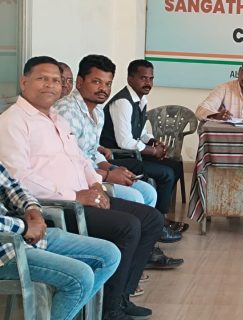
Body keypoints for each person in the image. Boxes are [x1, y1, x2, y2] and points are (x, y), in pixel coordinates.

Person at [0, 56, 163, 320]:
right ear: (24, 82)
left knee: (151, 219)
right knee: (128, 227)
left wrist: (96, 185)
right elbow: (18, 180)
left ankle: (121, 297)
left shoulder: (56, 118)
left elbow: (80, 159)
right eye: (42, 79)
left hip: (84, 196)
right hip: (57, 207)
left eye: (55, 80)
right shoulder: (13, 122)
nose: (50, 85)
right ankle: (109, 310)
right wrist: (75, 195)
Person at [54, 55, 183, 271]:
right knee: (137, 195)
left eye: (107, 84)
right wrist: (107, 174)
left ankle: (145, 251)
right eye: (96, 82)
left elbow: (91, 152)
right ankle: (135, 254)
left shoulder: (97, 110)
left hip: (97, 169)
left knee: (149, 190)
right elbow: (72, 162)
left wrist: (112, 167)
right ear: (80, 82)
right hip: (81, 182)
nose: (103, 89)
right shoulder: (67, 111)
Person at [0, 163, 120, 320]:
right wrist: (24, 226)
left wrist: (32, 209)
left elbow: (12, 187)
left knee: (109, 254)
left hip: (24, 235)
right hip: (5, 251)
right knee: (80, 278)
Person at [100, 59, 186, 242]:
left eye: (151, 79)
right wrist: (153, 152)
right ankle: (158, 223)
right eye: (143, 78)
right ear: (130, 78)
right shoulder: (123, 102)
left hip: (133, 153)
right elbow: (125, 141)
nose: (148, 83)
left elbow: (141, 133)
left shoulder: (140, 100)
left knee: (175, 166)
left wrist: (154, 142)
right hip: (117, 157)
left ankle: (161, 216)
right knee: (166, 173)